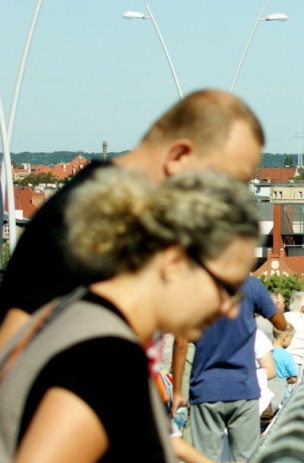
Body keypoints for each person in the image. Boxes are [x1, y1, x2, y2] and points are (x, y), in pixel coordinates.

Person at [0, 169, 260, 463]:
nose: (231, 309)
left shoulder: (75, 315)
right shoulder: (105, 355)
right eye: (225, 287)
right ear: (173, 261)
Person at [0, 89, 264, 350]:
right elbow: (12, 348)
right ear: (179, 156)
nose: (230, 197)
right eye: (228, 180)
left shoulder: (117, 213)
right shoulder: (84, 220)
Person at [170, 273, 286, 463]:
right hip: (243, 390)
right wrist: (266, 310)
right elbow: (280, 322)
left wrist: (178, 390)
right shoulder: (249, 285)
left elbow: (180, 342)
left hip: (205, 391)